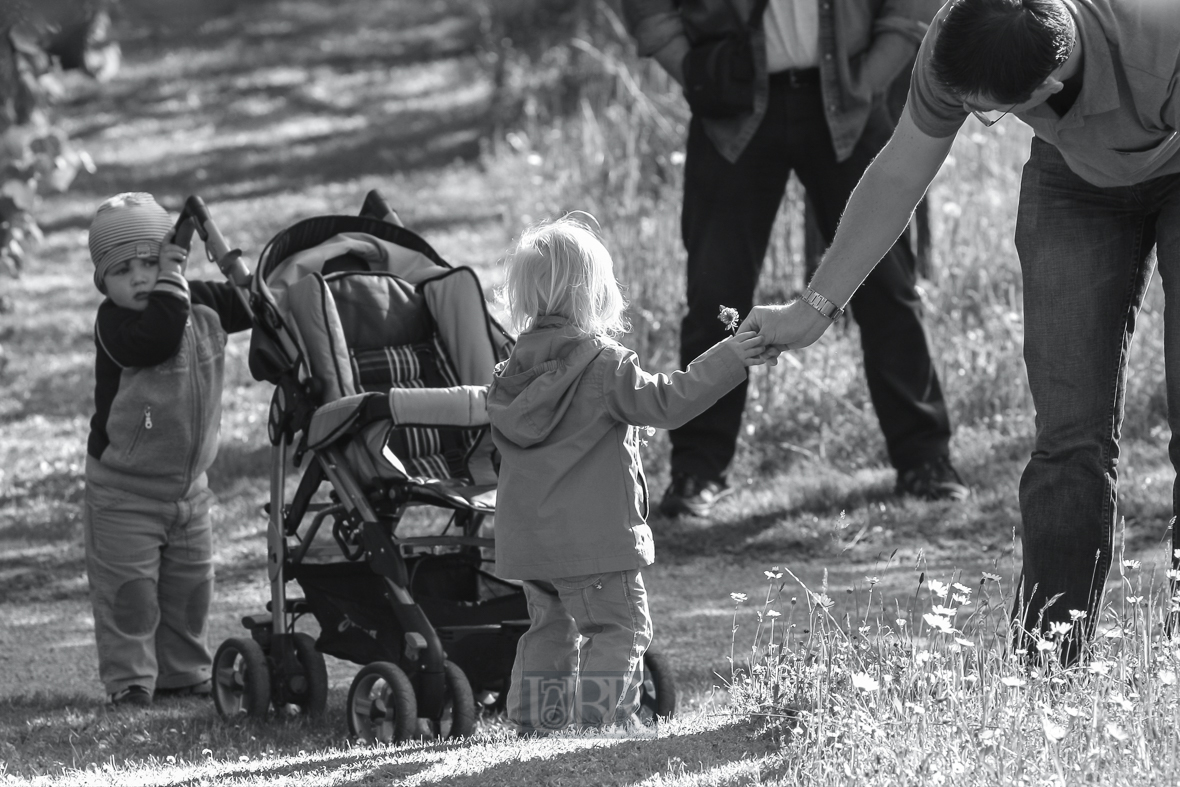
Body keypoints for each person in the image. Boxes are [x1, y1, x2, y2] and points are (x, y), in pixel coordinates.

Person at [742, 0, 1180, 658]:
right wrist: (812, 311)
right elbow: (899, 172)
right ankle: (1044, 665)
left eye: (993, 112)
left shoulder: (1161, 37)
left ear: (1049, 86)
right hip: (1078, 182)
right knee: (1068, 438)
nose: (975, 118)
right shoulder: (959, 36)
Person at [622, 0, 967, 518]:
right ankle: (697, 473)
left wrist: (868, 81)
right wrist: (694, 72)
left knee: (887, 286)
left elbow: (909, 8)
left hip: (848, 100)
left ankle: (925, 460)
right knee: (715, 295)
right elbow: (650, 12)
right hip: (731, 107)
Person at [487, 215, 764, 734]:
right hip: (594, 542)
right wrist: (730, 357)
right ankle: (601, 723)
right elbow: (668, 402)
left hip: (530, 544)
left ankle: (536, 726)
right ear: (596, 293)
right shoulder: (603, 366)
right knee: (618, 627)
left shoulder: (510, 374)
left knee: (549, 630)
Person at [84, 192, 252, 706]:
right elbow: (157, 336)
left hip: (189, 491)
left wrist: (253, 280)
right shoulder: (115, 324)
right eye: (122, 270)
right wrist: (171, 274)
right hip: (123, 492)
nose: (138, 278)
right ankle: (131, 681)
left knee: (189, 592)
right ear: (104, 283)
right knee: (130, 594)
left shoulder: (197, 299)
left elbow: (251, 307)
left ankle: (182, 673)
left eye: (149, 262)